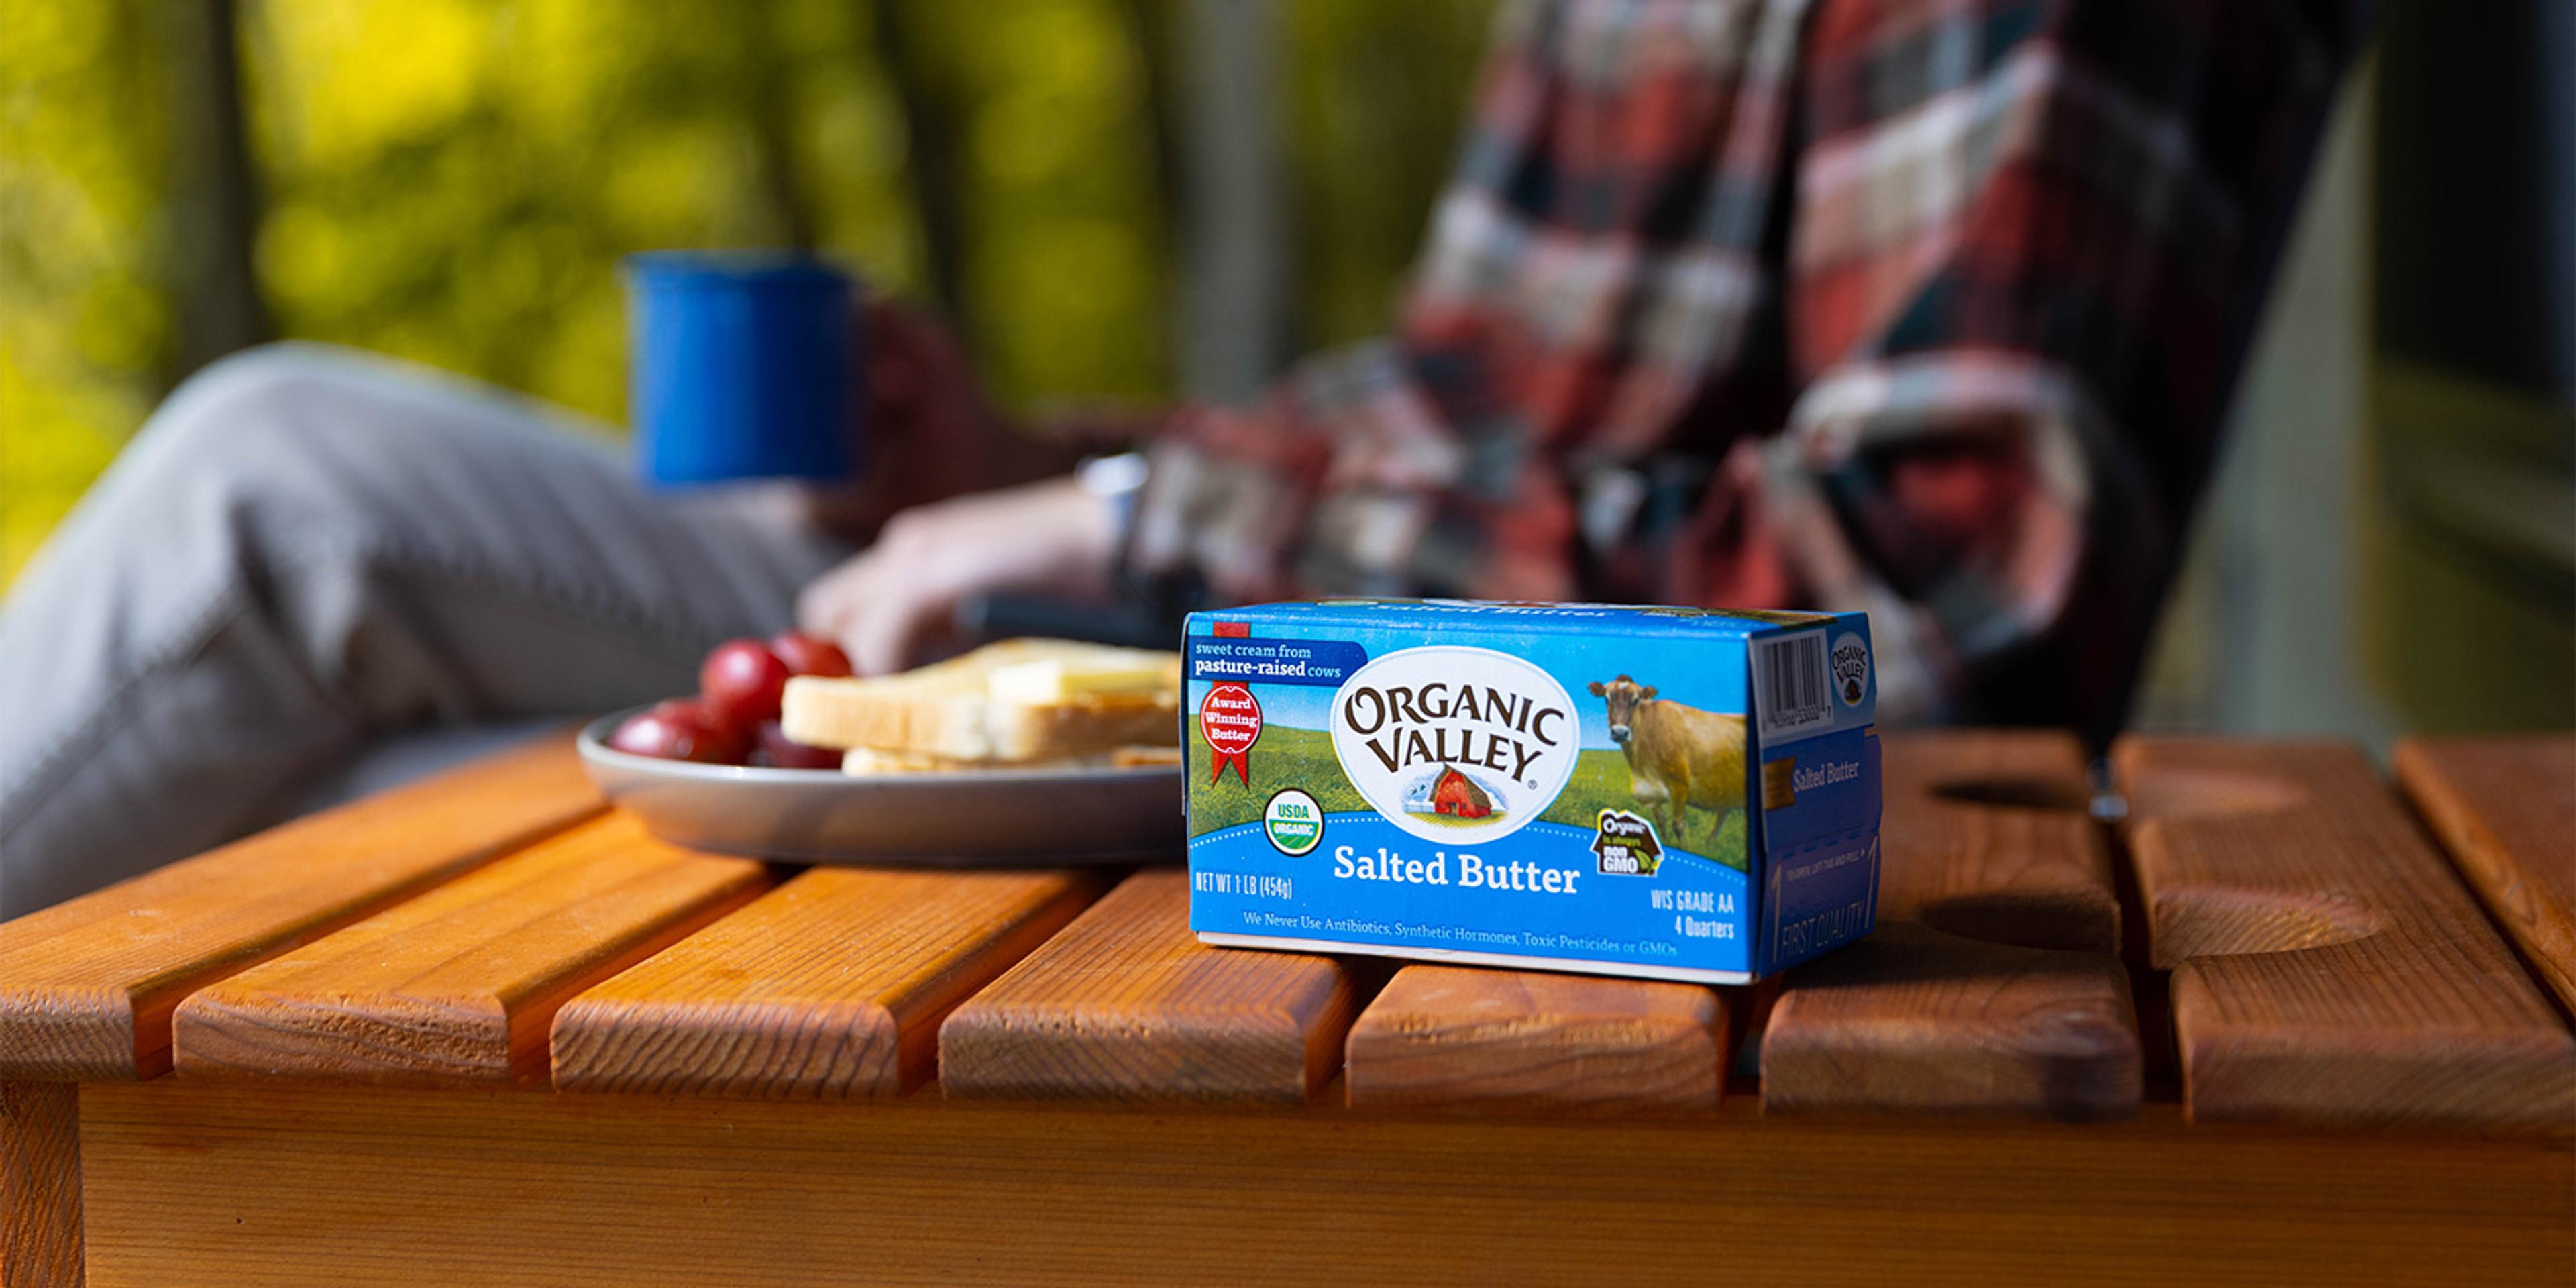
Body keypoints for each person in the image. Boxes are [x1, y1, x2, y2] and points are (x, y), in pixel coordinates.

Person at [0, 0, 2367, 916]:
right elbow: (1478, 410)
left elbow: (1942, 596)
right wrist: (1058, 453)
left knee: (278, 490)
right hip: (1218, 650)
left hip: (1433, 765)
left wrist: (1142, 520)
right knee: (365, 776)